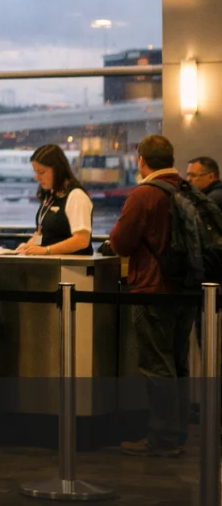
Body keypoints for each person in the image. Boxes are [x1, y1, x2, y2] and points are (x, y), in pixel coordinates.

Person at [110, 135, 195, 458]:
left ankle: (161, 438)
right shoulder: (185, 189)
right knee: (178, 363)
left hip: (153, 287)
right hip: (185, 289)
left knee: (156, 364)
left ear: (141, 160)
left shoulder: (144, 193)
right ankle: (178, 433)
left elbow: (120, 242)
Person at [14, 144, 93, 256]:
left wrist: (47, 250)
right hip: (51, 266)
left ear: (57, 170)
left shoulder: (76, 196)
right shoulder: (50, 195)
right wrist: (29, 246)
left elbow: (81, 240)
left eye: (41, 172)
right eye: (35, 172)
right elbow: (43, 233)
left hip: (73, 269)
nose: (36, 177)